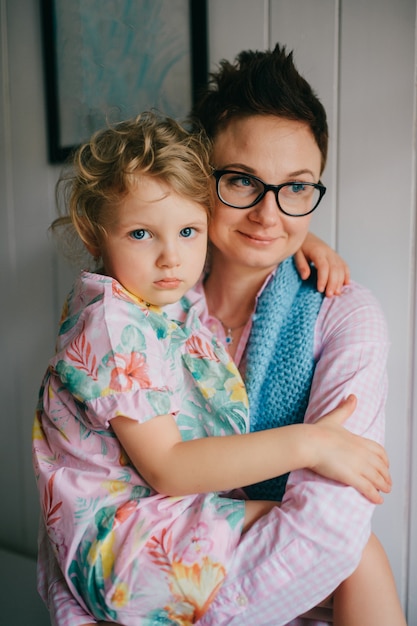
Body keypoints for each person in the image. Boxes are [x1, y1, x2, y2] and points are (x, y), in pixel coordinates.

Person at [34, 43, 407, 625]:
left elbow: (333, 523)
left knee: (360, 548)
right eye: (241, 181)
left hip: (244, 575)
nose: (269, 213)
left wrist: (295, 238)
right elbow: (164, 469)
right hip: (128, 559)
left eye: (297, 189)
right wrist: (310, 440)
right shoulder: (140, 307)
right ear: (200, 181)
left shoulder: (341, 313)